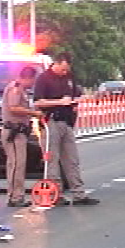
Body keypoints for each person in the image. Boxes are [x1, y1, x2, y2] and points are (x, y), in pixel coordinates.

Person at [33, 52, 99, 205]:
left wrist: (77, 101)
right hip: (51, 122)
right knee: (52, 160)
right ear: (56, 63)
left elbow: (76, 94)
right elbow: (38, 102)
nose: (64, 72)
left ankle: (79, 193)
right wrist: (59, 102)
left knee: (72, 159)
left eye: (66, 69)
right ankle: (56, 194)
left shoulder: (69, 77)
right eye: (62, 69)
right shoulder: (44, 78)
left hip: (67, 122)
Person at [2, 66, 42, 207]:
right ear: (28, 78)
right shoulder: (15, 88)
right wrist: (33, 113)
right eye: (33, 80)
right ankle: (14, 196)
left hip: (20, 131)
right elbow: (14, 107)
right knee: (15, 164)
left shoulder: (23, 90)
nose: (33, 83)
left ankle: (18, 194)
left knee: (20, 164)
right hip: (13, 131)